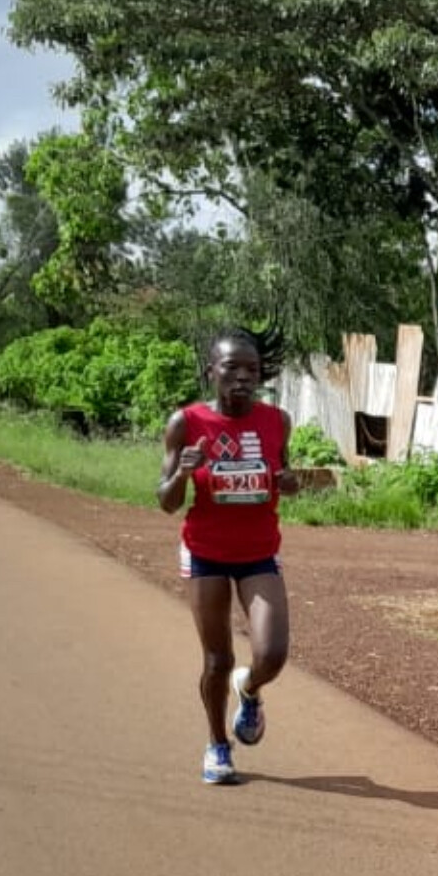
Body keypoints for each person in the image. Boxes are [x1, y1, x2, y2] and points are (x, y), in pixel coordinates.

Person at [158, 324, 299, 784]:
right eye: (231, 367)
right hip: (206, 554)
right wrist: (183, 473)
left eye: (252, 370)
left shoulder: (276, 421)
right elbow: (166, 501)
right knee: (217, 659)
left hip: (259, 552)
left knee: (272, 654)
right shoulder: (186, 423)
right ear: (210, 371)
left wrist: (289, 482)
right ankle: (218, 746)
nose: (243, 377)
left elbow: (283, 474)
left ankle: (250, 689)